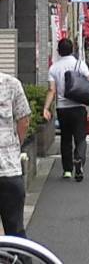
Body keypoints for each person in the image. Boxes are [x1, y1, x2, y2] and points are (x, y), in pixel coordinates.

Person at [43, 38, 89, 182]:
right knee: (80, 138)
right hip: (79, 107)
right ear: (72, 49)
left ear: (58, 51)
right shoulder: (80, 64)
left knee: (65, 139)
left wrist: (46, 108)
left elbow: (51, 90)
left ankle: (67, 170)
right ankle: (79, 159)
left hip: (62, 108)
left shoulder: (54, 68)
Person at [0, 71, 31, 237]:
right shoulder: (11, 84)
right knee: (15, 232)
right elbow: (24, 120)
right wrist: (15, 147)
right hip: (9, 171)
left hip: (9, 172)